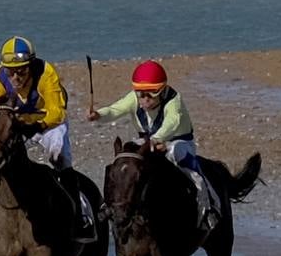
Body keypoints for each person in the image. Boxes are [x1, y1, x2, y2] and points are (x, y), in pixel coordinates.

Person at [0, 36, 92, 240]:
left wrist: (36, 125)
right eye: (10, 71)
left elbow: (58, 112)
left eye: (22, 71)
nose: (15, 77)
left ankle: (79, 217)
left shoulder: (46, 73)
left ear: (31, 65)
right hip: (16, 124)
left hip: (46, 122)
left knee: (58, 156)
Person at [87, 61, 219, 231]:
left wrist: (158, 138)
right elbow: (115, 110)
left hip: (177, 140)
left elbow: (172, 121)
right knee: (125, 157)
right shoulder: (134, 98)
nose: (144, 100)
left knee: (179, 156)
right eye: (141, 95)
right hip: (148, 140)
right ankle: (109, 204)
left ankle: (208, 208)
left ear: (162, 91)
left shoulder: (174, 100)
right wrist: (98, 115)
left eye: (150, 95)